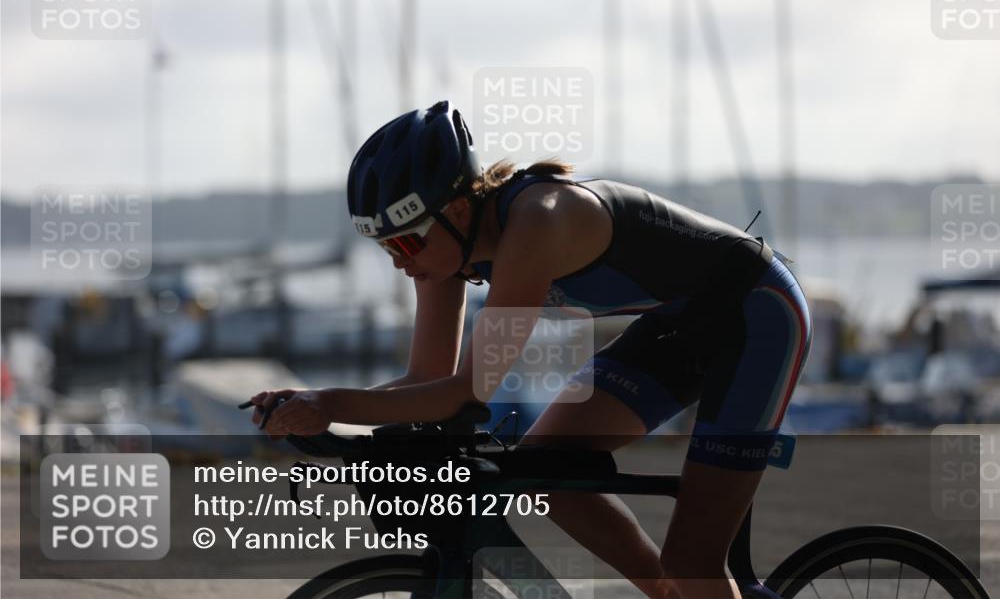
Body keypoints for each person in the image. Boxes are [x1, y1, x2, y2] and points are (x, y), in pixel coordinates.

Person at [249, 100, 812, 599]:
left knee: (693, 561)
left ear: (460, 209)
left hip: (758, 316)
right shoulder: (445, 252)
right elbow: (426, 380)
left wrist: (334, 403)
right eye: (384, 246)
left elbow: (466, 391)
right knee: (548, 469)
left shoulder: (537, 222)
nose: (399, 260)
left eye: (405, 239)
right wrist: (312, 405)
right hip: (679, 326)